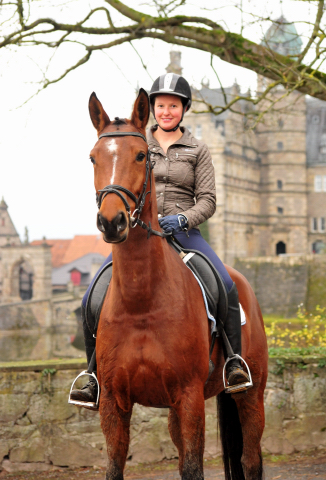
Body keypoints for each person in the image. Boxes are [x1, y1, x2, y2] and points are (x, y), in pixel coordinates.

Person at [70, 73, 250, 405]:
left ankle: (234, 363)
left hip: (184, 234)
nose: (167, 111)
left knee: (225, 284)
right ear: (152, 109)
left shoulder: (198, 149)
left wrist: (182, 218)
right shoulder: (137, 141)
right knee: (89, 299)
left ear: (183, 109)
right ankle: (92, 375)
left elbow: (208, 200)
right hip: (139, 238)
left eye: (174, 106)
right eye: (161, 106)